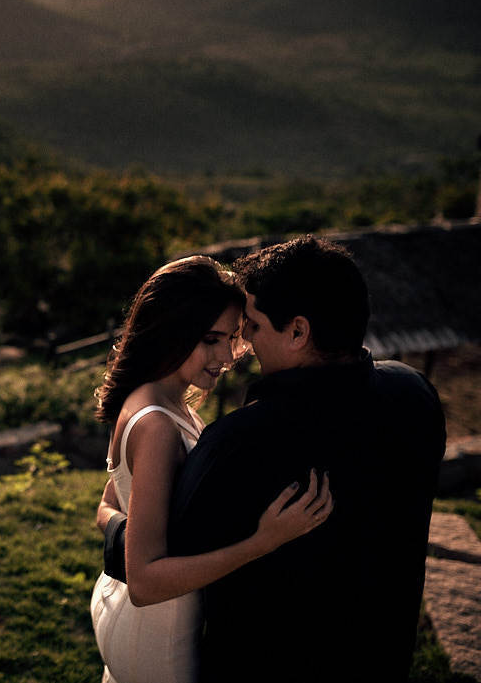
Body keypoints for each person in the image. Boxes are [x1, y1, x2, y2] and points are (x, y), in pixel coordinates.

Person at [161, 236, 446, 682]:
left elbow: (160, 560)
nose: (245, 343)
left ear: (297, 331)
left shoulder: (240, 443)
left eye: (253, 325)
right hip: (379, 660)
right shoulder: (414, 396)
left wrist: (110, 518)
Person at [88, 255, 333, 683]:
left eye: (232, 338)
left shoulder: (154, 397)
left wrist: (131, 538)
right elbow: (145, 583)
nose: (226, 356)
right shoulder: (158, 425)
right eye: (210, 339)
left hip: (132, 608)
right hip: (158, 630)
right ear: (172, 330)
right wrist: (263, 541)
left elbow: (110, 501)